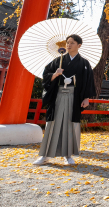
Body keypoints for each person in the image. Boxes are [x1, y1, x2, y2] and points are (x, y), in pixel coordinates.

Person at [33, 34, 96, 166]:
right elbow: (46, 75)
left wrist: (86, 98)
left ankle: (67, 155)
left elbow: (89, 81)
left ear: (79, 45)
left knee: (69, 125)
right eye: (67, 42)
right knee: (52, 124)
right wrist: (55, 74)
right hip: (58, 95)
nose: (68, 45)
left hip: (74, 96)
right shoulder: (58, 61)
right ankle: (45, 155)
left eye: (72, 43)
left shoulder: (84, 63)